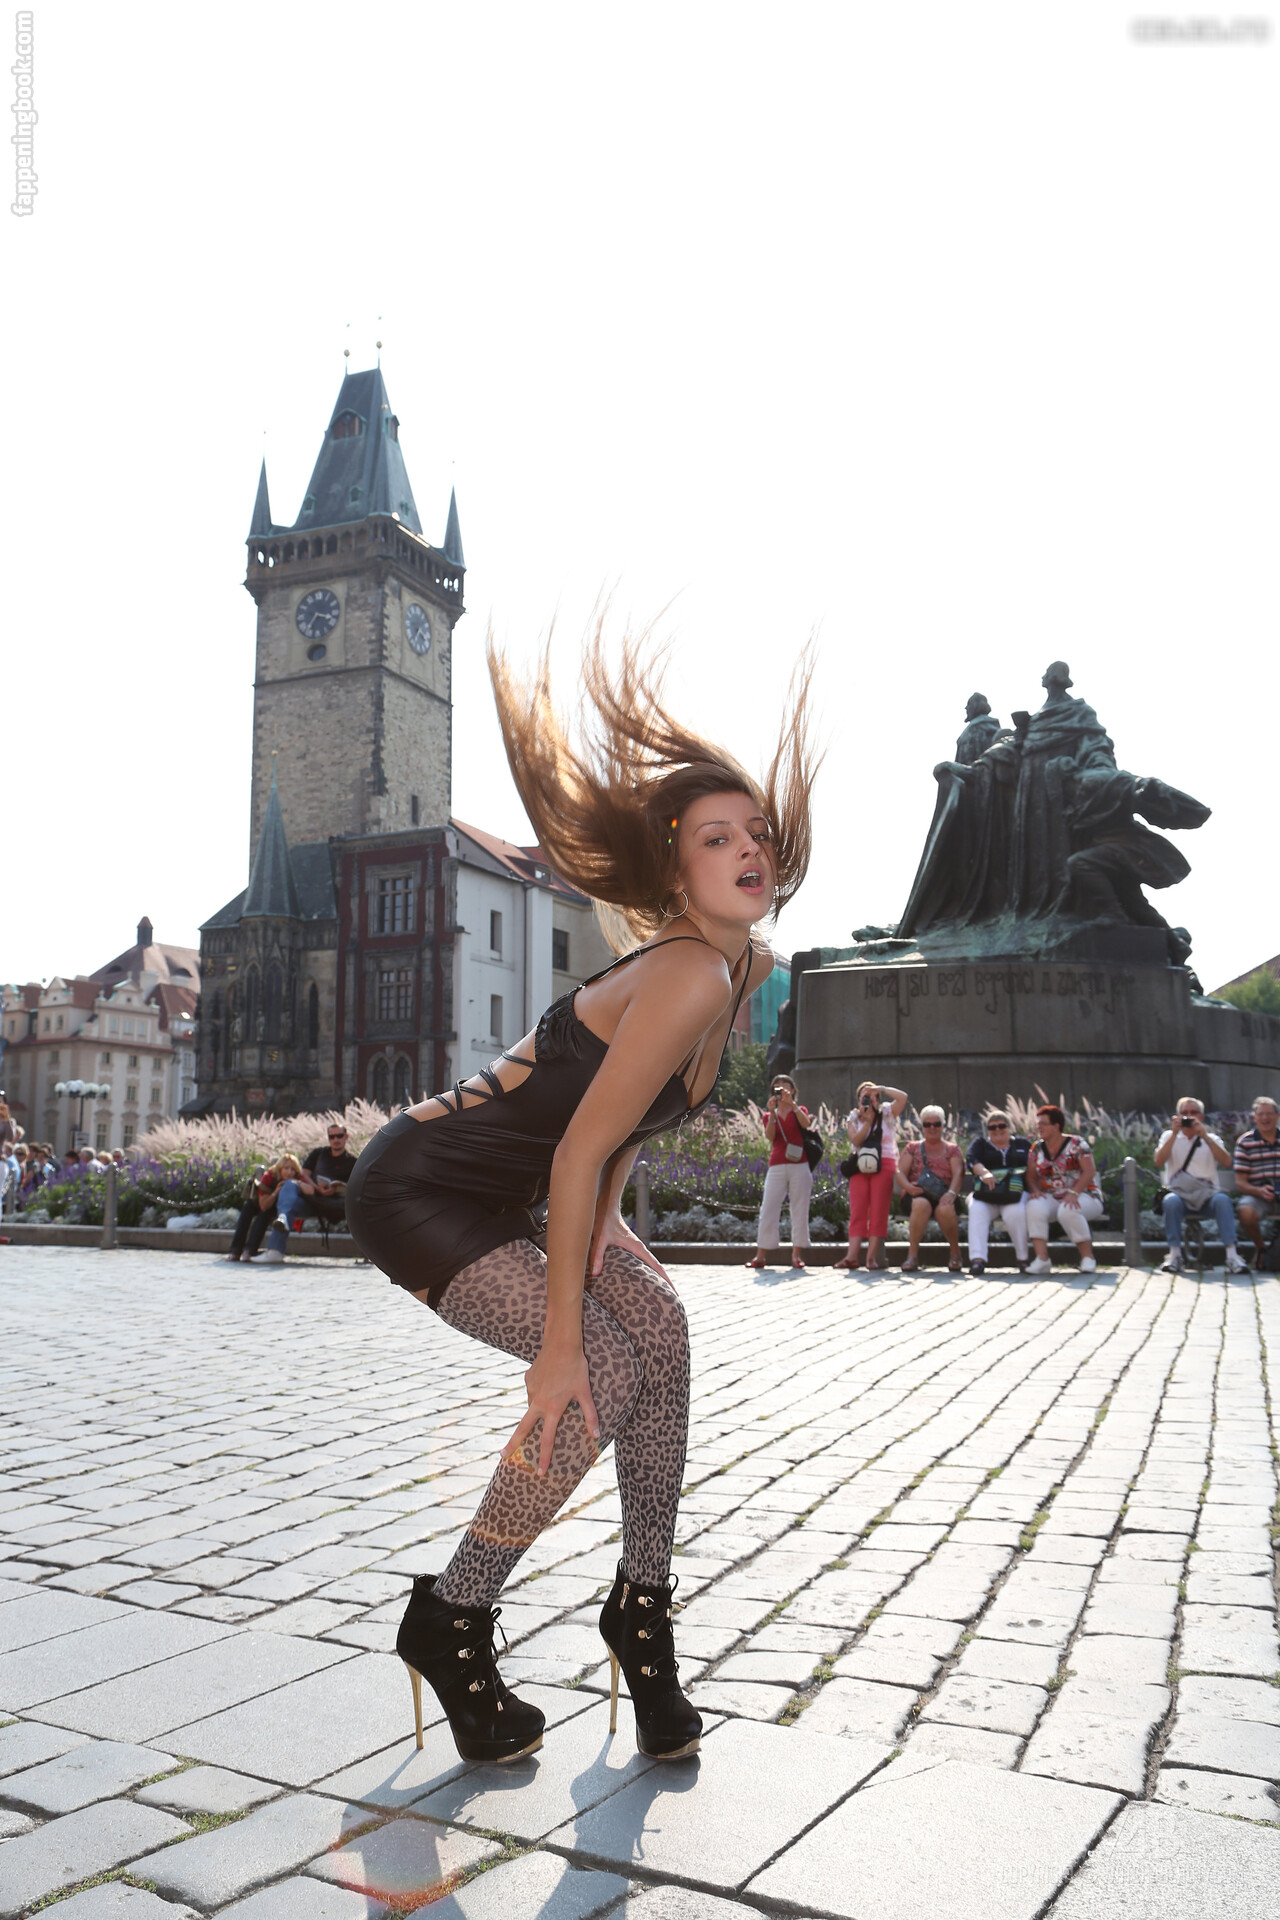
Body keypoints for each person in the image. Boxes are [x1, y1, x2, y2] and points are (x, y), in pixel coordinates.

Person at [345, 628, 815, 1769]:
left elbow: (617, 1127)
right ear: (674, 871)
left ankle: (641, 1614)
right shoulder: (689, 970)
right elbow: (570, 1151)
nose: (746, 850)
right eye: (715, 838)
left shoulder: (737, 967)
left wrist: (605, 1226)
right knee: (595, 1370)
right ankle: (452, 1615)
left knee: (663, 1326)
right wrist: (558, 1343)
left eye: (754, 831)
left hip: (509, 1190)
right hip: (419, 1187)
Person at [1155, 1098, 1245, 1274]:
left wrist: (1204, 1136)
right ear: (1177, 1116)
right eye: (1184, 1113)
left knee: (1223, 1201)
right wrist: (1174, 1134)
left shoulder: (1212, 1138)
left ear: (1202, 1116)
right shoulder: (1168, 1136)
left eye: (1193, 1113)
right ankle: (1174, 1254)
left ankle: (1232, 1255)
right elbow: (1158, 1161)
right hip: (1180, 1194)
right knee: (1170, 1201)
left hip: (1207, 1195)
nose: (1189, 1116)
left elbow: (1227, 1162)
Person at [250, 1124, 358, 1266]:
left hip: (334, 1205)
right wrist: (317, 1188)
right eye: (332, 1137)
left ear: (346, 1137)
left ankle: (282, 1219)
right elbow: (303, 1174)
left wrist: (336, 1190)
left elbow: (355, 1188)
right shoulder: (318, 1154)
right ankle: (276, 1246)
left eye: (339, 1136)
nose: (336, 1140)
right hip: (311, 1200)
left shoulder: (352, 1162)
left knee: (287, 1206)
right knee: (289, 1184)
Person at [834, 1082, 907, 1272]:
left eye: (871, 1096)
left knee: (878, 1210)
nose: (868, 1099)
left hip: (884, 1162)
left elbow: (903, 1097)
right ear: (858, 1100)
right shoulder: (854, 1117)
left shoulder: (887, 1112)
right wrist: (866, 1121)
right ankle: (851, 1257)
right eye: (864, 1096)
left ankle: (871, 1257)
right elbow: (856, 1140)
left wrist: (880, 1089)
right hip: (860, 1163)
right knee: (857, 1210)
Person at [747, 1074, 814, 1272]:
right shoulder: (769, 1115)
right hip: (776, 1163)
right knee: (768, 1208)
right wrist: (771, 1114)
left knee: (800, 1209)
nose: (781, 1089)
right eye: (777, 1087)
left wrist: (792, 1104)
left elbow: (806, 1124)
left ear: (792, 1090)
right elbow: (770, 1136)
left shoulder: (799, 1109)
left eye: (785, 1086)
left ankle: (796, 1255)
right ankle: (761, 1255)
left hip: (799, 1163)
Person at [1025, 1104, 1103, 1273]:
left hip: (1085, 1195)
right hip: (1053, 1196)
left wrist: (1074, 1193)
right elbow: (1031, 1176)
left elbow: (1089, 1171)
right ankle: (1042, 1260)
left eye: (1043, 1124)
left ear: (1056, 1126)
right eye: (1038, 1124)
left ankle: (1088, 1258)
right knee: (1034, 1206)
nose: (1039, 1127)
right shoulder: (1036, 1148)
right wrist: (1035, 1190)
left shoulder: (1077, 1144)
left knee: (1067, 1210)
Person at [896, 1107, 965, 1273]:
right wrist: (908, 1187)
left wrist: (951, 1193)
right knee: (921, 1204)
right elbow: (899, 1171)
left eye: (936, 1124)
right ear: (922, 1127)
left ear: (943, 1126)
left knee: (945, 1209)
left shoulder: (953, 1149)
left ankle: (955, 1253)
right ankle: (912, 1256)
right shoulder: (913, 1148)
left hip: (945, 1195)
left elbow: (959, 1173)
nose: (932, 1128)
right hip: (916, 1194)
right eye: (927, 1124)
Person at [966, 1111, 1030, 1275]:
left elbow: (1034, 1166)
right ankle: (978, 1260)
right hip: (986, 1195)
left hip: (1015, 1194)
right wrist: (984, 1173)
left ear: (1009, 1127)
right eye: (992, 1127)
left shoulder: (1022, 1144)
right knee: (976, 1209)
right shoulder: (980, 1144)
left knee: (1015, 1213)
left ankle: (1023, 1258)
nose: (997, 1130)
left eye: (1002, 1126)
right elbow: (972, 1160)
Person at [1232, 1095, 1280, 1265]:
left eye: (1269, 1113)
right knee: (1245, 1211)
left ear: (1277, 1116)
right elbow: (1240, 1183)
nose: (1265, 1118)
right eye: (1261, 1114)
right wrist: (1259, 1191)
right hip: (1258, 1194)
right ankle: (1261, 1249)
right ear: (1254, 1117)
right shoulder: (1245, 1142)